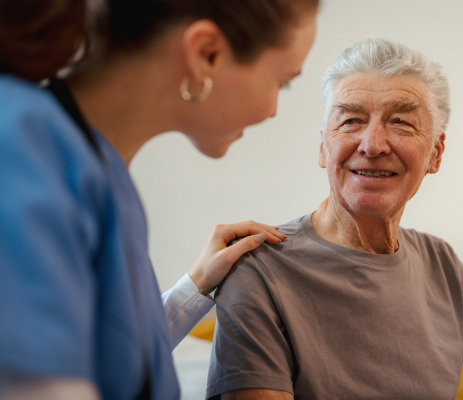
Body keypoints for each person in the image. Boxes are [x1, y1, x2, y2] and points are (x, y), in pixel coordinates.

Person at [206, 38, 463, 399]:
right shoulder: (257, 270)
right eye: (351, 120)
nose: (372, 144)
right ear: (324, 146)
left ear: (435, 153)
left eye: (401, 122)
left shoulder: (442, 265)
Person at [0, 0, 318, 399]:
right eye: (282, 81)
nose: (273, 110)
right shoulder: (19, 152)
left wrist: (195, 287)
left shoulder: (103, 175)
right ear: (207, 53)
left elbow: (112, 364)